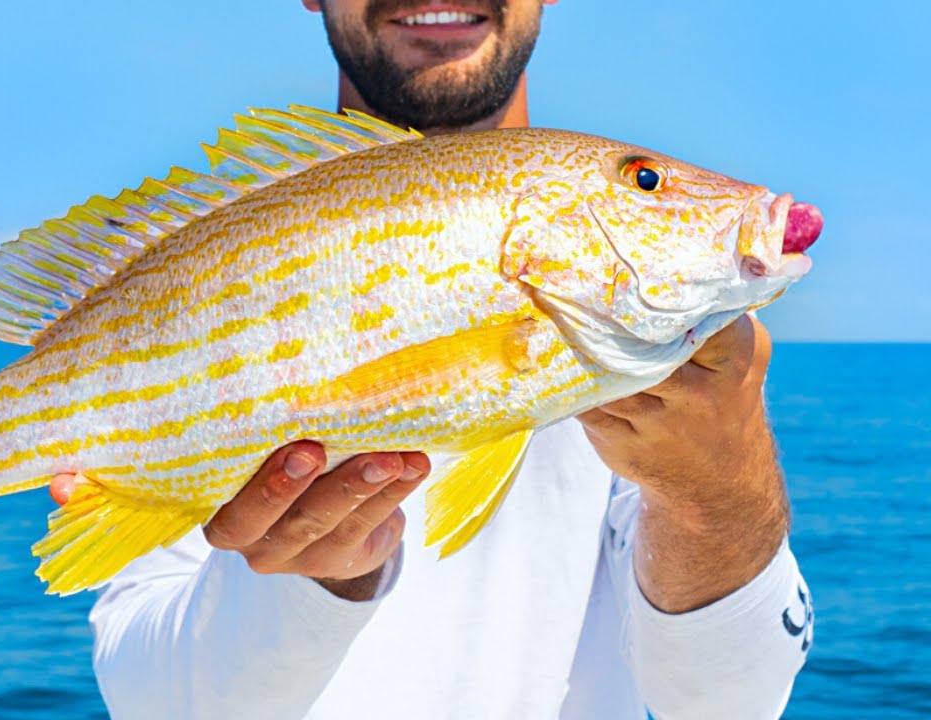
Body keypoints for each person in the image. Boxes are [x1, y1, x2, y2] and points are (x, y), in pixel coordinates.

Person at [51, 1, 814, 717]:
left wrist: (717, 490)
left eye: (644, 183)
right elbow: (149, 700)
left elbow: (727, 704)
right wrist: (319, 580)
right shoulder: (196, 275)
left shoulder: (666, 349)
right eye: (644, 183)